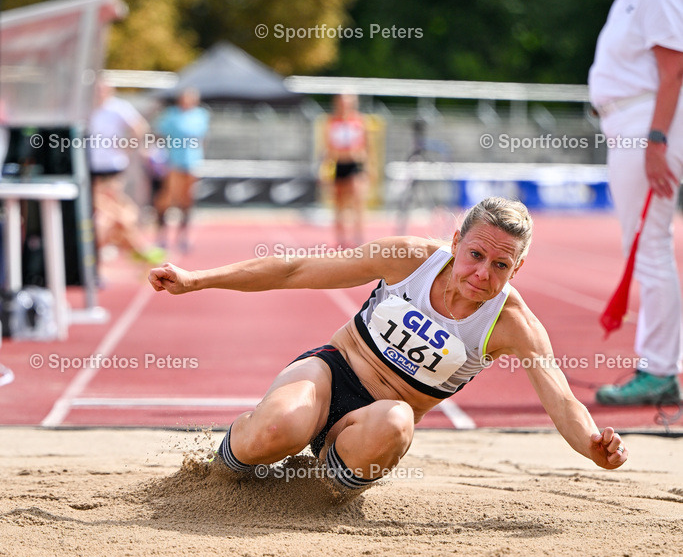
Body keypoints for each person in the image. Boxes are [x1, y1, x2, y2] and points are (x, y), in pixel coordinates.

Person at [148, 197, 628, 500]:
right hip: (331, 372)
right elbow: (296, 270)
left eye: (501, 266)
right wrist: (196, 280)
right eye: (476, 255)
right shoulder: (409, 259)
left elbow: (561, 398)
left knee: (398, 421)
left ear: (516, 269)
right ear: (456, 242)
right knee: (276, 429)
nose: (483, 274)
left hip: (376, 423)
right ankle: (218, 474)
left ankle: (311, 495)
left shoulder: (512, 324)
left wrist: (592, 445)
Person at [589, 0, 683, 407]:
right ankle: (659, 366)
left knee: (649, 248)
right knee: (646, 247)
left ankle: (661, 370)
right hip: (632, 123)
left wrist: (657, 140)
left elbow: (674, 70)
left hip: (648, 125)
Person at [89, 81, 164, 265]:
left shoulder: (118, 107)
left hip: (112, 166)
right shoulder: (87, 107)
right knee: (109, 211)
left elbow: (139, 127)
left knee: (107, 211)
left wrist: (128, 146)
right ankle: (137, 247)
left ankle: (131, 247)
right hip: (91, 167)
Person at [154, 88, 210, 253]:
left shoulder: (200, 115)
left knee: (187, 201)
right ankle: (162, 237)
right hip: (173, 163)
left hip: (192, 163)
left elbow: (202, 138)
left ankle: (183, 237)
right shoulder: (171, 115)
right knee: (167, 200)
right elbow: (159, 134)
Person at [323, 93, 369, 248]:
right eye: (342, 102)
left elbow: (367, 146)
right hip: (338, 164)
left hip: (354, 164)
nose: (344, 105)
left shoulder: (359, 120)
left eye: (347, 102)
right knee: (339, 204)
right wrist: (326, 170)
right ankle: (341, 240)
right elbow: (328, 147)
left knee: (357, 200)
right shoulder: (332, 121)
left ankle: (358, 239)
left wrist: (368, 167)